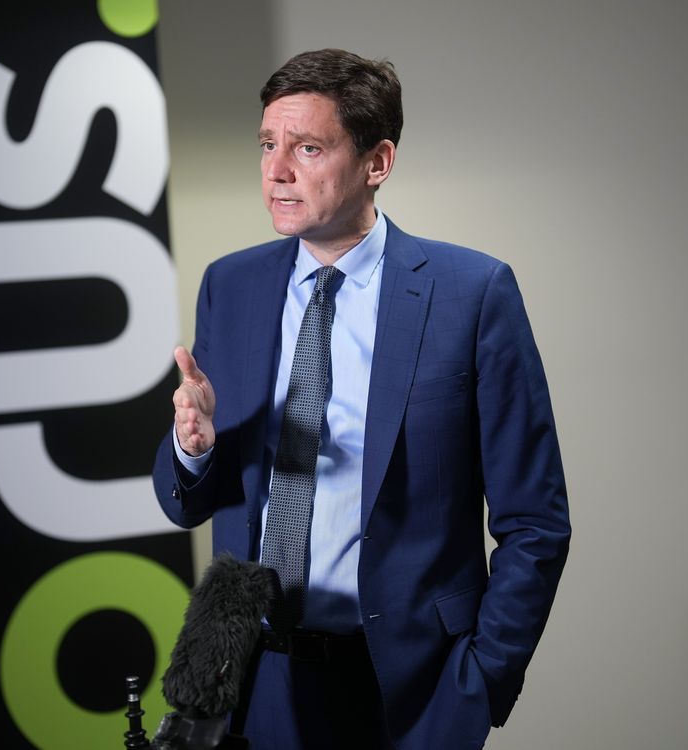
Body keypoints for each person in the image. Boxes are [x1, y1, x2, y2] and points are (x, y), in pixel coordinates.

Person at [152, 48, 570, 750]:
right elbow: (188, 501)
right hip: (256, 688)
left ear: (377, 162)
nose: (276, 171)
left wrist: (484, 679)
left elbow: (536, 522)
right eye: (267, 145)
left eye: (307, 147)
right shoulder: (232, 286)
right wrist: (194, 452)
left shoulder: (472, 293)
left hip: (411, 689)